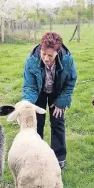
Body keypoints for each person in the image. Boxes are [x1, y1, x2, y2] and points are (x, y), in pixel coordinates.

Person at [22, 32, 77, 170]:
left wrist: (61, 102)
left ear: (57, 53)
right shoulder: (32, 60)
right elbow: (30, 86)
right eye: (43, 54)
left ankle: (59, 157)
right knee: (37, 123)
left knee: (57, 122)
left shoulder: (67, 59)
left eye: (50, 56)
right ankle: (37, 156)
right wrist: (28, 104)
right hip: (39, 92)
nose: (46, 58)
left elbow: (70, 81)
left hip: (57, 92)